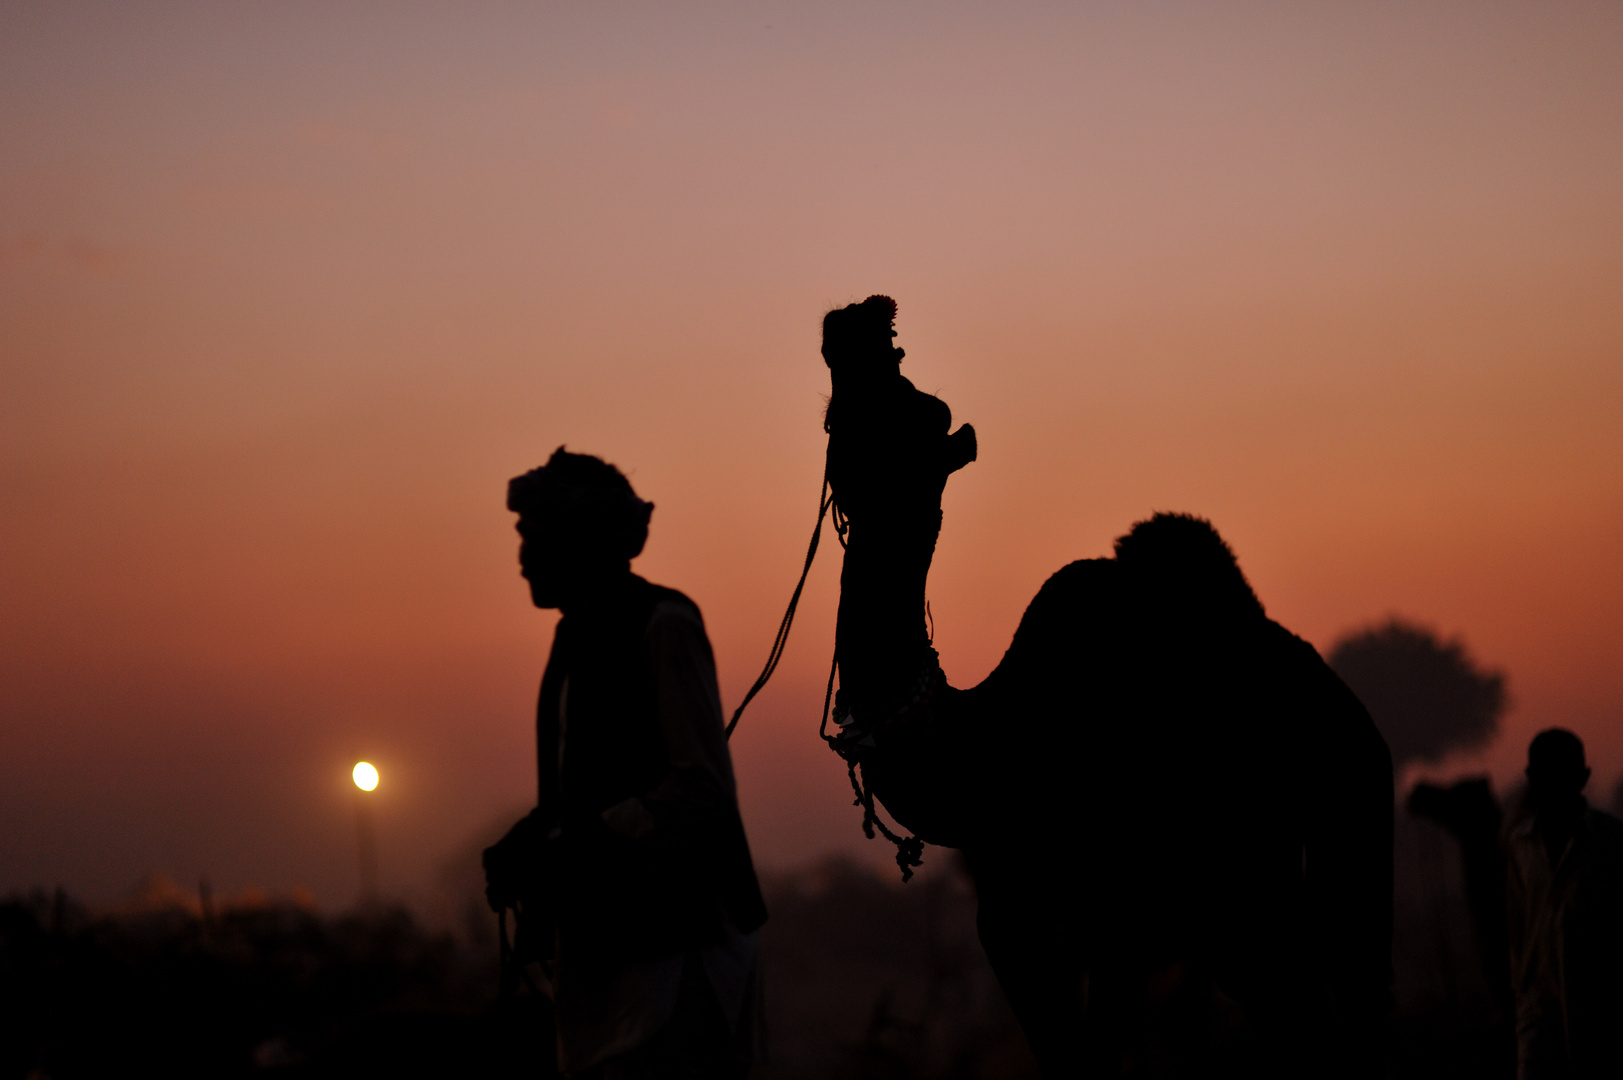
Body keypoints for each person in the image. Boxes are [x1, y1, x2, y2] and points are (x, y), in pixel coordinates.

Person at [484, 447, 767, 1079]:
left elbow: (702, 789)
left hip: (678, 951)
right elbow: (584, 798)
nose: (524, 557)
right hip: (606, 949)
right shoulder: (574, 636)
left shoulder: (663, 623)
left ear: (583, 538)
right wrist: (532, 842)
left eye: (534, 536)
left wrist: (579, 843)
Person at [1506, 728, 1623, 1079]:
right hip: (1539, 1020)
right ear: (1532, 779)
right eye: (1547, 774)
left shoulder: (1613, 842)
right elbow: (1518, 934)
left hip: (1603, 1014)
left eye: (1563, 774)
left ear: (1582, 778)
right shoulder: (1521, 846)